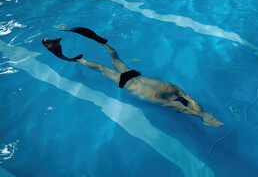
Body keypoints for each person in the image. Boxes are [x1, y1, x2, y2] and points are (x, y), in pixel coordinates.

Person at [42, 27, 223, 127]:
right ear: (177, 100)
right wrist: (201, 115)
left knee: (110, 60)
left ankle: (84, 55)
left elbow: (188, 104)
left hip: (130, 77)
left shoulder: (171, 90)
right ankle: (90, 52)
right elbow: (186, 106)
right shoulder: (167, 97)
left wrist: (200, 114)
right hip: (130, 79)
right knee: (109, 61)